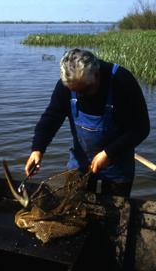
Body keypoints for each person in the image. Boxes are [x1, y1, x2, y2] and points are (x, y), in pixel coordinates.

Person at [25, 48, 150, 196]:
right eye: (75, 91)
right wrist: (38, 148)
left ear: (96, 75)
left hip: (118, 162)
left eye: (84, 90)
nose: (80, 95)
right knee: (75, 205)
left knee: (115, 211)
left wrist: (109, 153)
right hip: (81, 159)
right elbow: (52, 117)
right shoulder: (67, 84)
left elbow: (141, 128)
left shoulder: (122, 81)